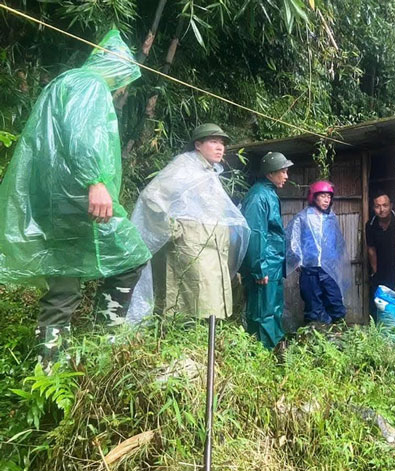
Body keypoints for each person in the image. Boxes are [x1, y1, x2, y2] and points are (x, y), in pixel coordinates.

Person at [0, 30, 151, 365]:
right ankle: (103, 343)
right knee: (131, 256)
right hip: (78, 199)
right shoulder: (90, 84)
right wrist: (95, 180)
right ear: (117, 65)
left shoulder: (63, 83)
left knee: (63, 282)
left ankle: (50, 369)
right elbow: (84, 134)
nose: (123, 85)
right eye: (125, 74)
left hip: (54, 202)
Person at [127, 124, 250, 323]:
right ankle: (183, 349)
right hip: (191, 249)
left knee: (209, 307)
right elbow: (151, 197)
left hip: (211, 251)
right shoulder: (184, 167)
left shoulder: (208, 171)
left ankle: (202, 350)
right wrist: (173, 229)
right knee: (187, 308)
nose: (220, 148)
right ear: (198, 144)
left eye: (222, 143)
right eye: (213, 142)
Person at [240, 152, 294, 349]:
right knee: (263, 312)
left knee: (272, 309)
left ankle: (274, 353)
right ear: (270, 173)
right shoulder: (258, 196)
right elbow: (255, 234)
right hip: (264, 266)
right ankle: (263, 356)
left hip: (272, 265)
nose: (286, 176)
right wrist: (259, 268)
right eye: (283, 171)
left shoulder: (268, 193)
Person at [286, 181, 350, 325]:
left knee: (335, 303)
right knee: (313, 308)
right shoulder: (302, 217)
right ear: (314, 197)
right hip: (310, 270)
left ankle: (337, 335)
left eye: (329, 196)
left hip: (328, 270)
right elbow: (293, 239)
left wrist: (335, 260)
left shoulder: (331, 218)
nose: (326, 200)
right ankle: (314, 338)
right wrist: (298, 260)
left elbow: (337, 242)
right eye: (322, 196)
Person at [365, 189, 395, 318]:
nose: (381, 209)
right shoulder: (370, 225)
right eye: (377, 206)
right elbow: (371, 249)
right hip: (380, 266)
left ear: (391, 206)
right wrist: (375, 271)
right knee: (378, 297)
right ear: (373, 208)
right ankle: (377, 327)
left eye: (385, 205)